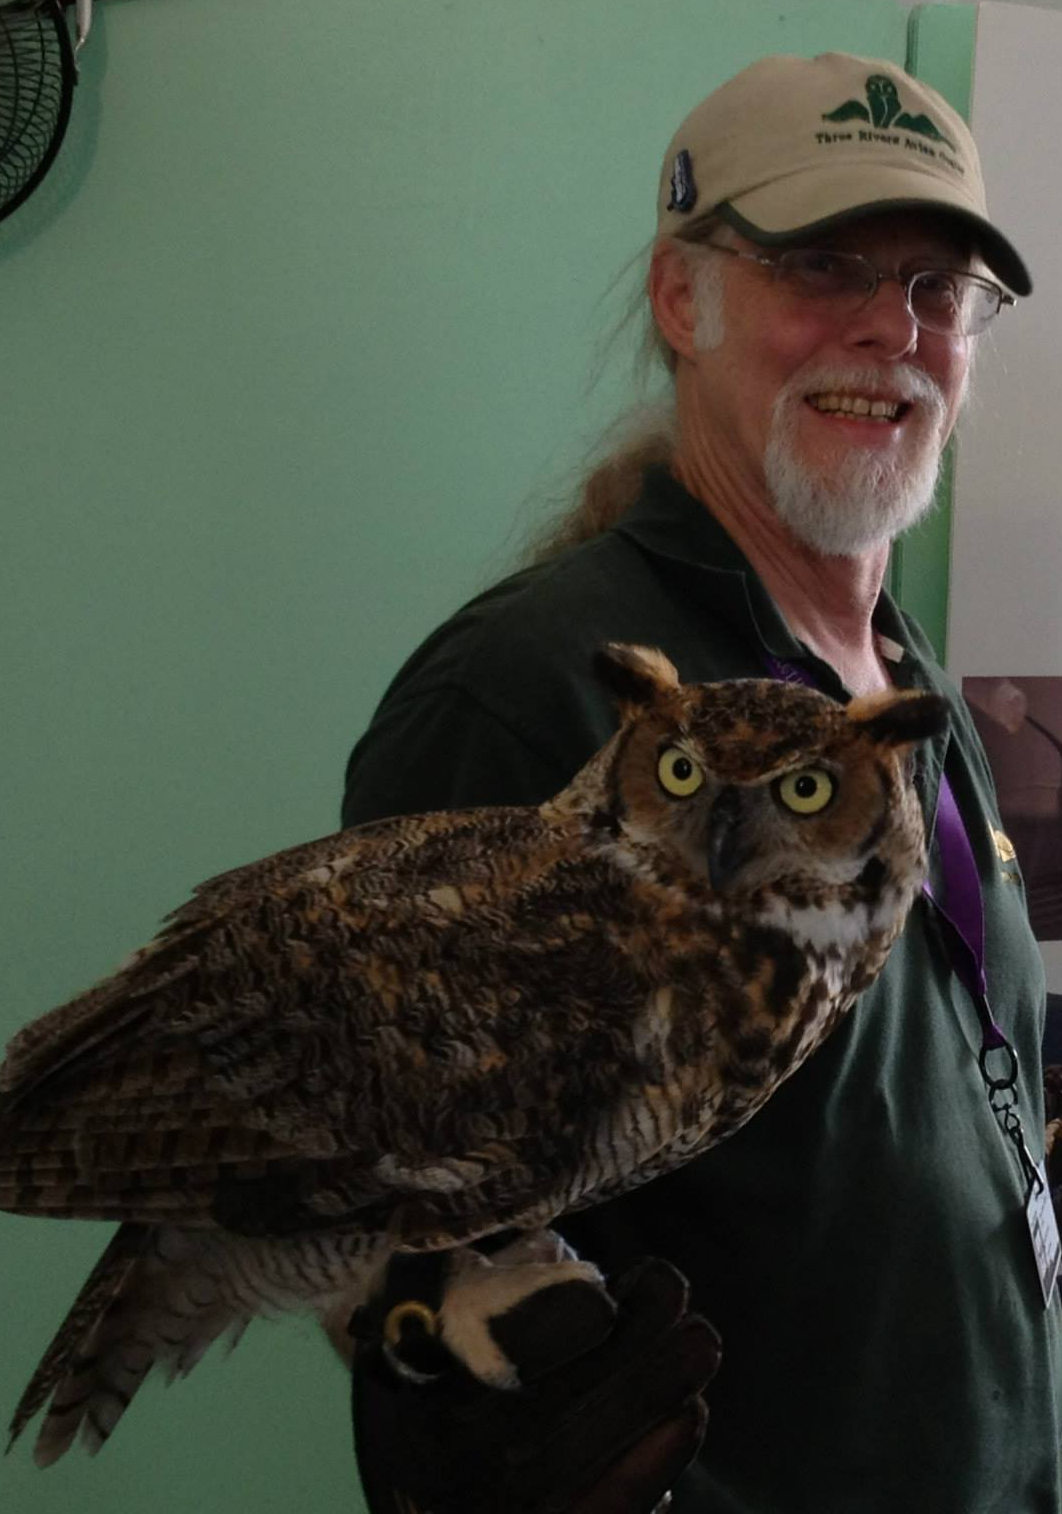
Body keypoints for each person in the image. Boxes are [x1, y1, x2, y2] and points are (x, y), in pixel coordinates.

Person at [341, 51, 1060, 1514]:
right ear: (685, 295)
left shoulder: (905, 689)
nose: (890, 329)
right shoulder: (531, 700)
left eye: (937, 289)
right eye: (825, 263)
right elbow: (390, 1245)